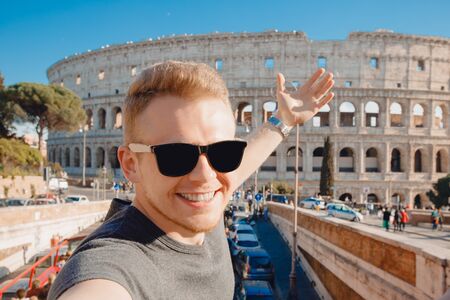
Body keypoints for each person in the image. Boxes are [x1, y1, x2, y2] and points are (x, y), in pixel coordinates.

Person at [49, 61, 334, 299]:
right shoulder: (113, 265)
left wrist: (282, 120)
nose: (205, 175)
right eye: (176, 156)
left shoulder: (204, 200)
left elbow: (236, 170)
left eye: (223, 153)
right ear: (131, 164)